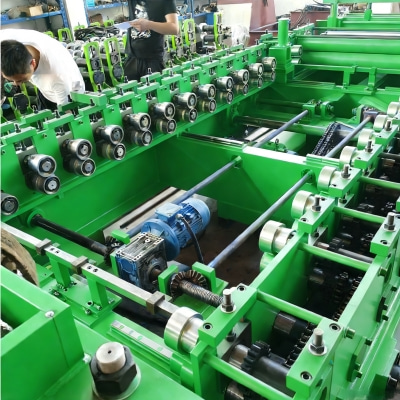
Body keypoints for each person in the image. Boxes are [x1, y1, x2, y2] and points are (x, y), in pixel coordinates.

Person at [1, 29, 85, 110]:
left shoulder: (56, 76)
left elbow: (65, 110)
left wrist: (66, 112)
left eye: (21, 80)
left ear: (33, 63)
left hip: (66, 91)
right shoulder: (4, 41)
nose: (16, 84)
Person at [124, 0, 179, 81]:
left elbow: (174, 28)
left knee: (154, 88)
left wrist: (148, 24)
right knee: (129, 89)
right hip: (132, 58)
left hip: (152, 60)